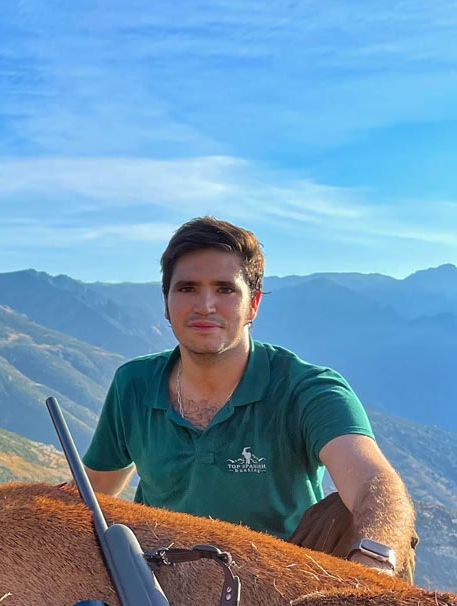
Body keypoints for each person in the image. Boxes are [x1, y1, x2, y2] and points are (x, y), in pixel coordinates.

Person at [83, 217, 417, 580]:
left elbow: (376, 484)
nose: (205, 305)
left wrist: (374, 569)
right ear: (166, 303)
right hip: (162, 586)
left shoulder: (306, 389)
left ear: (253, 303)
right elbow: (93, 493)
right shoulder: (134, 384)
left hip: (278, 588)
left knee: (366, 520)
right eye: (187, 288)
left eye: (225, 289)